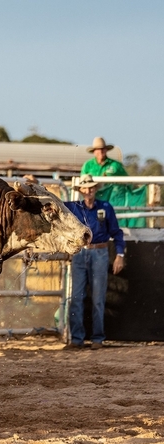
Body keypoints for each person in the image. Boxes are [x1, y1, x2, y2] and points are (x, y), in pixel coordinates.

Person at [63, 174, 125, 350]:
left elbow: (116, 232)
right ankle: (77, 338)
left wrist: (119, 255)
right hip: (81, 252)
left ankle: (97, 338)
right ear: (81, 190)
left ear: (95, 189)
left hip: (99, 252)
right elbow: (53, 205)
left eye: (91, 187)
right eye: (85, 187)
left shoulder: (105, 207)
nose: (88, 190)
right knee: (76, 297)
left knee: (98, 298)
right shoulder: (74, 207)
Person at [82, 137, 128, 203]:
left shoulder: (116, 165)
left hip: (113, 201)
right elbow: (82, 182)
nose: (100, 151)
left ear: (106, 150)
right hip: (93, 199)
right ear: (94, 151)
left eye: (102, 149)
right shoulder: (87, 165)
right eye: (98, 149)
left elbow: (127, 182)